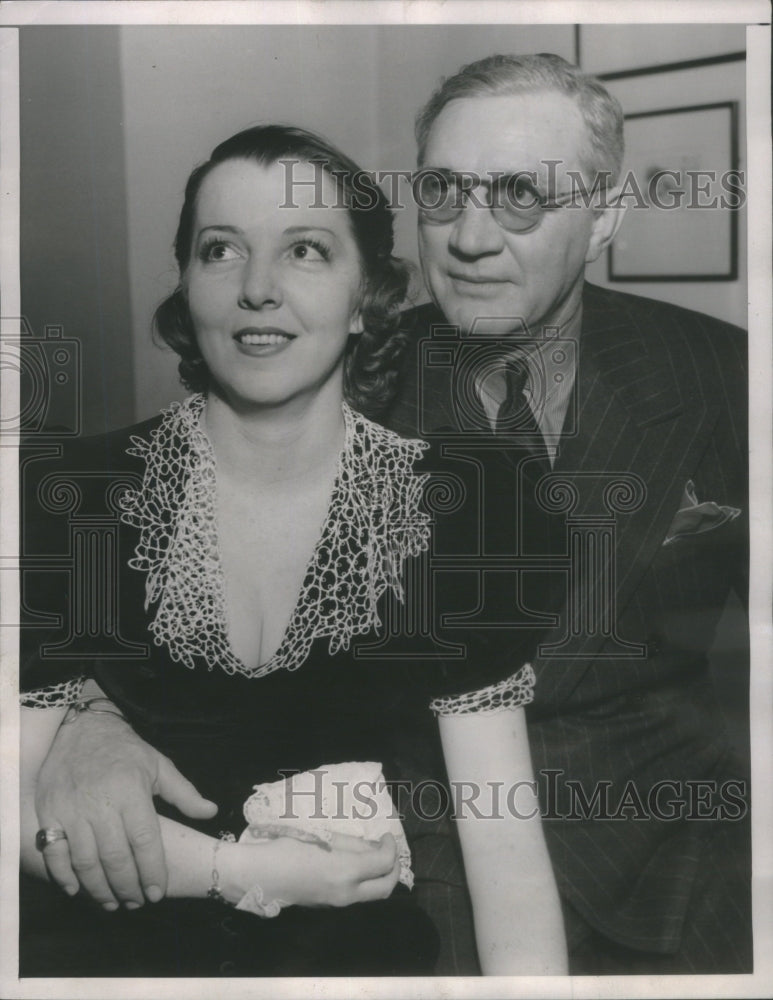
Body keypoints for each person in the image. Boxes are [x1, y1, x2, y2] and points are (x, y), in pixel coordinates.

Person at [19, 123, 566, 976]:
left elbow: (505, 855)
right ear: (186, 285)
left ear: (366, 298)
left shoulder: (465, 506)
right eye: (220, 251)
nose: (258, 289)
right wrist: (241, 873)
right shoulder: (67, 493)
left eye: (305, 250)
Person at [383, 53, 751, 974]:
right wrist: (95, 726)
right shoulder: (346, 379)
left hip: (681, 861)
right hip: (416, 866)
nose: (469, 237)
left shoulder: (724, 375)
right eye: (442, 191)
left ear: (605, 217)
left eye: (520, 196)